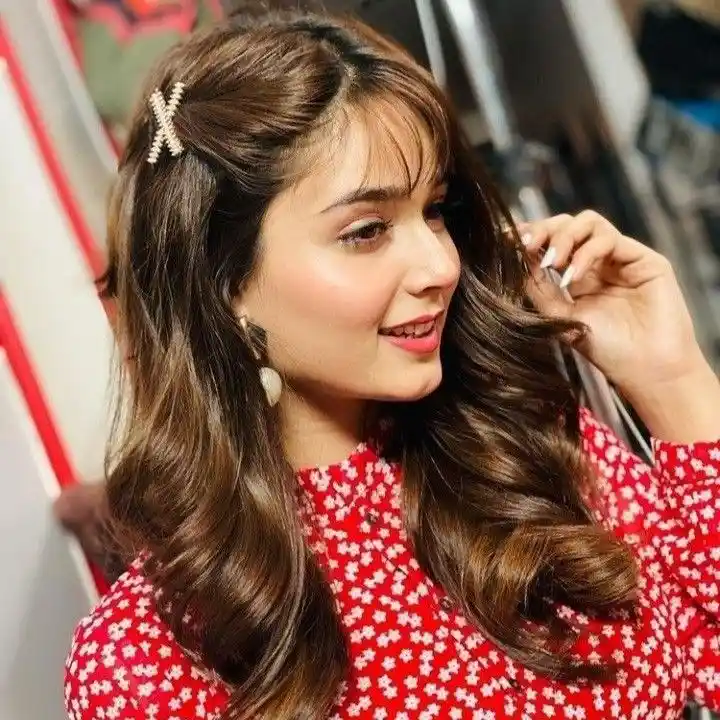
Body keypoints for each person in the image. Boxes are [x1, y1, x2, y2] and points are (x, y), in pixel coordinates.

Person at [63, 8, 720, 720]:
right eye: (367, 231)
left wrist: (672, 382)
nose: (440, 265)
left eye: (433, 211)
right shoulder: (145, 659)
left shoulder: (529, 457)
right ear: (223, 285)